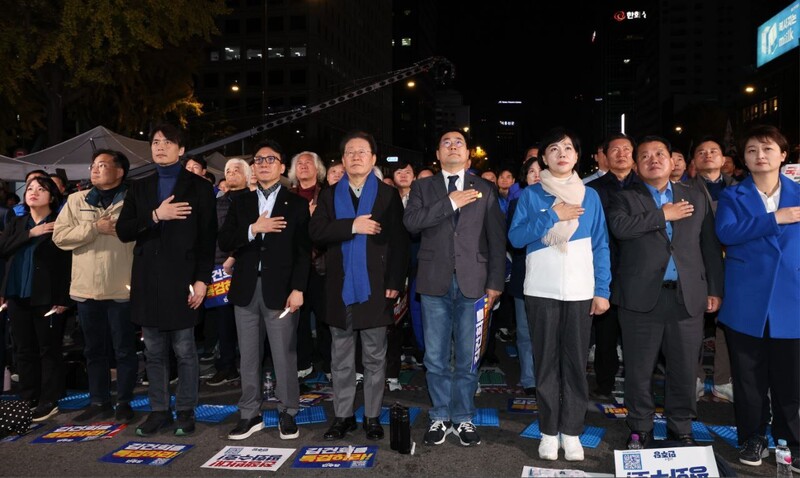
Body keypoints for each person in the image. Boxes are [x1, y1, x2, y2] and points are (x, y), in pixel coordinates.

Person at [607, 135, 723, 449]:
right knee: (638, 369)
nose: (653, 159)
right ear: (635, 164)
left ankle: (680, 427)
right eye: (644, 156)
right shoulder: (624, 196)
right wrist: (663, 215)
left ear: (672, 162)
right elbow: (620, 228)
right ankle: (640, 427)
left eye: (660, 153)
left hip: (687, 296)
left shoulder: (694, 193)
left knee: (685, 369)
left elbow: (709, 245)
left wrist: (714, 288)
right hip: (640, 298)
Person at [508, 128, 610, 462]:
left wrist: (602, 290)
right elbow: (517, 238)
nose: (562, 153)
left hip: (581, 291)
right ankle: (549, 432)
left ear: (577, 156)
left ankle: (573, 431)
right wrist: (553, 215)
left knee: (576, 365)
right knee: (546, 363)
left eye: (568, 147)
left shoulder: (590, 196)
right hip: (541, 290)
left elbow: (600, 245)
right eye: (554, 148)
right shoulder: (531, 195)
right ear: (544, 158)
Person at [404, 128, 505, 447]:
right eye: (445, 142)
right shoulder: (423, 186)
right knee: (434, 356)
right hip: (434, 281)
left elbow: (496, 238)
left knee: (468, 356)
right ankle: (439, 415)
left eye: (458, 142)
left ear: (468, 153)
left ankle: (462, 417)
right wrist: (448, 203)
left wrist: (495, 283)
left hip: (474, 283)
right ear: (437, 154)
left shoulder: (486, 188)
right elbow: (412, 223)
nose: (451, 146)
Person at [116, 123, 217, 437]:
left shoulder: (200, 188)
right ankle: (159, 410)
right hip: (148, 279)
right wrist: (156, 216)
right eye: (156, 142)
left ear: (181, 148)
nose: (160, 147)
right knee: (154, 351)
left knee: (185, 350)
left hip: (184, 278)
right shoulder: (139, 186)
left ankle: (185, 409)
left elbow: (207, 239)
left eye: (168, 142)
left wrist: (202, 281)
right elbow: (123, 230)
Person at [309, 131, 408, 442]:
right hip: (338, 288)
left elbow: (399, 243)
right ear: (343, 158)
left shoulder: (387, 195)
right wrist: (352, 226)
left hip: (375, 287)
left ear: (373, 159)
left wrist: (395, 282)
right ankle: (343, 416)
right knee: (340, 356)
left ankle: (372, 416)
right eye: (349, 152)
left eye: (362, 152)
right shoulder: (329, 195)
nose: (355, 156)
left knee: (375, 356)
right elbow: (316, 231)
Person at [715, 125, 800, 470]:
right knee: (748, 380)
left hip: (791, 301)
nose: (759, 156)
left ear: (783, 155)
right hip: (745, 302)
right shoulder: (732, 196)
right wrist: (773, 219)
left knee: (790, 381)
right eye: (751, 150)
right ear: (744, 159)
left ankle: (790, 440)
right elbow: (726, 232)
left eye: (767, 149)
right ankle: (753, 438)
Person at [218, 139, 310, 441]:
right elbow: (225, 239)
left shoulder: (295, 203)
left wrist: (298, 289)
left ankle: (288, 412)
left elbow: (302, 251)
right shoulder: (241, 201)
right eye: (258, 160)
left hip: (281, 291)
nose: (264, 164)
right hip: (245, 289)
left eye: (271, 159)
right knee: (248, 355)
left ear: (282, 167)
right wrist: (253, 229)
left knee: (284, 354)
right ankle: (250, 413)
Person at [52, 149, 137, 423]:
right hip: (86, 289)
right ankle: (98, 400)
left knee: (124, 349)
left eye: (102, 165)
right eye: (93, 165)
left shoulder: (133, 199)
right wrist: (94, 229)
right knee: (93, 350)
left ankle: (124, 401)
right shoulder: (76, 200)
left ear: (120, 171)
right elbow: (60, 237)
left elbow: (143, 233)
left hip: (122, 287)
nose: (95, 169)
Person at [0, 176, 70, 421]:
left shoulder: (61, 222)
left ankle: (48, 399)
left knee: (48, 348)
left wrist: (63, 298)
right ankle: (28, 396)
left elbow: (67, 264)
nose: (34, 192)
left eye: (41, 189)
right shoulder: (17, 223)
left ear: (52, 196)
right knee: (23, 349)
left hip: (47, 296)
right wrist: (31, 233)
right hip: (17, 294)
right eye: (30, 188)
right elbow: (3, 249)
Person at [586, 133, 638, 402]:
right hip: (605, 267)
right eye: (614, 150)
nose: (621, 154)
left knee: (638, 334)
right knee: (605, 332)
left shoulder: (644, 185)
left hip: (639, 269)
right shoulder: (593, 189)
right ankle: (604, 383)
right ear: (604, 155)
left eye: (626, 149)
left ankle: (639, 387)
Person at [204, 158, 251, 387]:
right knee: (223, 322)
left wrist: (234, 256)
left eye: (237, 170)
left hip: (245, 267)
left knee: (249, 322)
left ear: (248, 175)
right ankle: (227, 366)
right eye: (228, 171)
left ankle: (251, 369)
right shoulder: (217, 202)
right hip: (219, 269)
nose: (231, 174)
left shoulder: (253, 200)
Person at [287, 151, 328, 380]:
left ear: (317, 168)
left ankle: (329, 364)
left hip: (323, 264)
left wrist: (315, 219)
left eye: (308, 162)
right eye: (299, 163)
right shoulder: (287, 196)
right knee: (299, 319)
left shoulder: (328, 195)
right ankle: (303, 361)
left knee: (324, 317)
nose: (303, 166)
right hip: (295, 266)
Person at [507, 156, 542, 396]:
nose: (536, 175)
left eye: (541, 170)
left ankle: (547, 376)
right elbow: (514, 241)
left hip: (551, 277)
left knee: (549, 332)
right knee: (524, 330)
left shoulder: (562, 201)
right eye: (531, 171)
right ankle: (529, 378)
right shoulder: (516, 204)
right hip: (524, 274)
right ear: (524, 176)